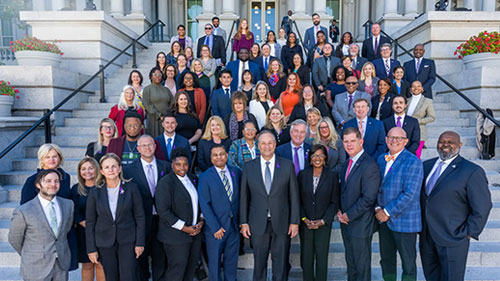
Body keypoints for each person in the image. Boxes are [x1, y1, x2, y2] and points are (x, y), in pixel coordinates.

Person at [420, 131, 492, 281]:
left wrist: (469, 232)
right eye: (442, 141)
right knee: (431, 277)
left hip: (454, 236)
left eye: (450, 142)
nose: (445, 145)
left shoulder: (471, 171)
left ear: (459, 145)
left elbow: (483, 206)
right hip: (427, 236)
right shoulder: (426, 166)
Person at [239, 130, 300, 281]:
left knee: (280, 264)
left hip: (282, 222)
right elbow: (244, 197)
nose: (267, 146)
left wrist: (294, 222)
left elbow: (294, 196)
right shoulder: (249, 167)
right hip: (258, 222)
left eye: (270, 143)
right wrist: (244, 222)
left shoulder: (287, 165)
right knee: (259, 264)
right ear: (258, 146)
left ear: (275, 145)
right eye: (263, 143)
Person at [85, 153, 146, 281]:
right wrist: (91, 248)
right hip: (104, 242)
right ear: (101, 171)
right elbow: (90, 222)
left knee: (129, 276)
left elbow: (140, 217)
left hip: (128, 241)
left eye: (114, 166)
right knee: (111, 277)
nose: (111, 170)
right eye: (106, 167)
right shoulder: (95, 192)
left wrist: (140, 242)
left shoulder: (131, 188)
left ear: (120, 168)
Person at [375, 127, 423, 281]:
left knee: (408, 263)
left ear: (406, 141)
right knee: (387, 260)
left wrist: (387, 212)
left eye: (398, 138)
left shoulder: (413, 161)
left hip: (405, 221)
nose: (394, 141)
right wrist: (377, 208)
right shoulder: (381, 159)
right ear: (386, 139)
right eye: (391, 137)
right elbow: (375, 187)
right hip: (383, 221)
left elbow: (410, 194)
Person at [9, 169, 74, 281]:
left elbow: (65, 230)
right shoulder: (23, 211)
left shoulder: (68, 205)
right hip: (35, 267)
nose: (53, 184)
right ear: (38, 184)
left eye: (56, 181)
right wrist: (32, 253)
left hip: (61, 265)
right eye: (48, 181)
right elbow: (14, 239)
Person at [123, 135, 169, 281]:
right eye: (143, 146)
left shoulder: (166, 166)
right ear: (138, 149)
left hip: (162, 219)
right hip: (140, 220)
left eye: (150, 145)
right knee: (141, 257)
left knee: (160, 255)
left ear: (155, 147)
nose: (147, 148)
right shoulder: (128, 170)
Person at [338, 127, 380, 281]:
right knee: (352, 264)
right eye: (346, 141)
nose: (349, 145)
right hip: (346, 223)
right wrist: (340, 210)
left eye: (353, 141)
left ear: (361, 141)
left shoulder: (369, 164)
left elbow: (368, 198)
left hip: (360, 224)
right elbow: (344, 191)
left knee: (361, 267)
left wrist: (349, 215)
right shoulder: (346, 163)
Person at [156, 148, 204, 281]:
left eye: (185, 164)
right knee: (176, 272)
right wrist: (184, 227)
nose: (182, 168)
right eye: (178, 164)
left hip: (195, 234)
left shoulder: (193, 178)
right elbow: (163, 211)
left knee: (190, 270)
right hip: (175, 237)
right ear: (172, 165)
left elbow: (201, 203)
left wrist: (201, 220)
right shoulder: (165, 183)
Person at [198, 145, 242, 281]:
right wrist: (215, 227)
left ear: (227, 156)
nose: (219, 157)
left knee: (231, 264)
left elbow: (241, 198)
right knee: (215, 266)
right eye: (215, 155)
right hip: (215, 229)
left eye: (221, 154)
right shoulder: (205, 177)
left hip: (234, 227)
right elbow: (204, 204)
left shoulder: (236, 172)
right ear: (211, 158)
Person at [298, 144, 340, 281]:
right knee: (306, 258)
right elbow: (298, 200)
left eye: (321, 155)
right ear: (310, 158)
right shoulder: (303, 175)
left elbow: (334, 202)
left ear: (325, 158)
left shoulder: (332, 176)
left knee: (322, 258)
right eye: (314, 155)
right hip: (306, 224)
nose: (317, 158)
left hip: (323, 224)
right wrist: (304, 219)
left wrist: (323, 220)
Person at [70, 158, 105, 281]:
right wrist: (88, 225)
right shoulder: (76, 189)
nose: (87, 171)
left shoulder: (104, 187)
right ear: (79, 172)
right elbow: (74, 211)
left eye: (90, 168)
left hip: (103, 231)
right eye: (83, 169)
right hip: (84, 233)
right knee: (87, 265)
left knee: (101, 264)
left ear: (96, 169)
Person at [406, 80, 435, 159]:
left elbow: (432, 117)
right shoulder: (407, 100)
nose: (416, 88)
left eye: (418, 86)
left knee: (416, 155)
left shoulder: (427, 101)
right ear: (411, 89)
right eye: (413, 86)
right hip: (407, 132)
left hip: (419, 132)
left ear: (422, 88)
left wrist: (418, 121)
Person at [142, 67, 174, 138]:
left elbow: (172, 103)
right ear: (151, 76)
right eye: (155, 74)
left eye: (159, 75)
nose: (157, 77)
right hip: (153, 119)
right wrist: (159, 115)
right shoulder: (147, 89)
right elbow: (147, 105)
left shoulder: (166, 89)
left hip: (166, 119)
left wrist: (167, 115)